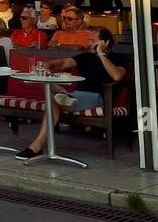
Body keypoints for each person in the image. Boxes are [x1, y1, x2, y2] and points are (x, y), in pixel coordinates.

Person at [15, 28, 128, 161]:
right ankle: (65, 97)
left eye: (93, 40)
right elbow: (64, 62)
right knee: (50, 86)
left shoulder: (117, 58)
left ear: (106, 42)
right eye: (89, 40)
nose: (89, 43)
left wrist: (100, 54)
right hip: (77, 95)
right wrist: (49, 64)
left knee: (54, 100)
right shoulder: (85, 56)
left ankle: (36, 146)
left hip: (96, 97)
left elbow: (117, 76)